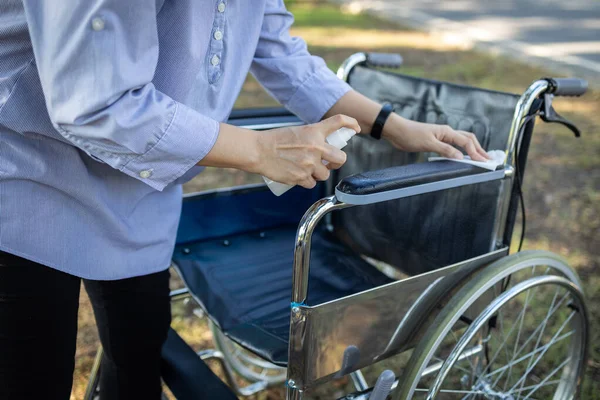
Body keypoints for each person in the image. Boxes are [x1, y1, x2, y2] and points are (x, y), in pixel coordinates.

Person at [0, 0, 489, 399]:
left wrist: (395, 128)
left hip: (138, 186)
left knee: (140, 344)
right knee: (32, 372)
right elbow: (95, 104)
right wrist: (259, 149)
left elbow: (280, 52)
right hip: (26, 168)